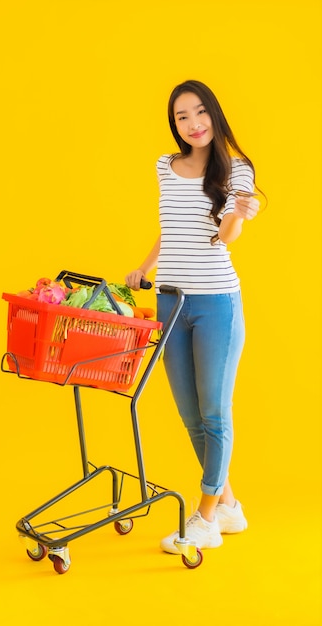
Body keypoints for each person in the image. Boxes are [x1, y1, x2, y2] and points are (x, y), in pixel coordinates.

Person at [125, 79, 261, 552]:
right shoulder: (165, 166)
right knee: (190, 415)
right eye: (182, 116)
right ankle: (229, 506)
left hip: (216, 303)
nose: (193, 124)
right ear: (175, 124)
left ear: (214, 114)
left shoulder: (236, 168)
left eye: (199, 112)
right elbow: (172, 230)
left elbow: (224, 236)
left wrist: (239, 213)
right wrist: (143, 267)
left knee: (214, 413)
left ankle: (204, 519)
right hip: (170, 302)